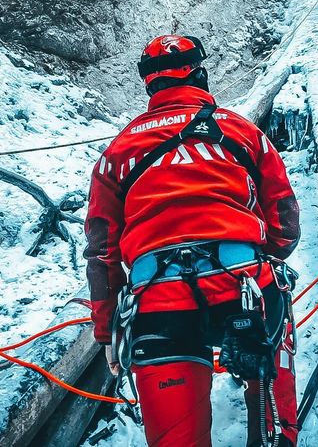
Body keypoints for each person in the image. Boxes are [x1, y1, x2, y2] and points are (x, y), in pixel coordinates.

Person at [84, 35, 301, 447]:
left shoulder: (118, 151)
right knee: (272, 324)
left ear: (150, 86)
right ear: (200, 75)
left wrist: (105, 329)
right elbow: (285, 220)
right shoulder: (240, 130)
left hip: (157, 301)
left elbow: (101, 251)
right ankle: (278, 433)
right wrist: (264, 256)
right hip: (242, 284)